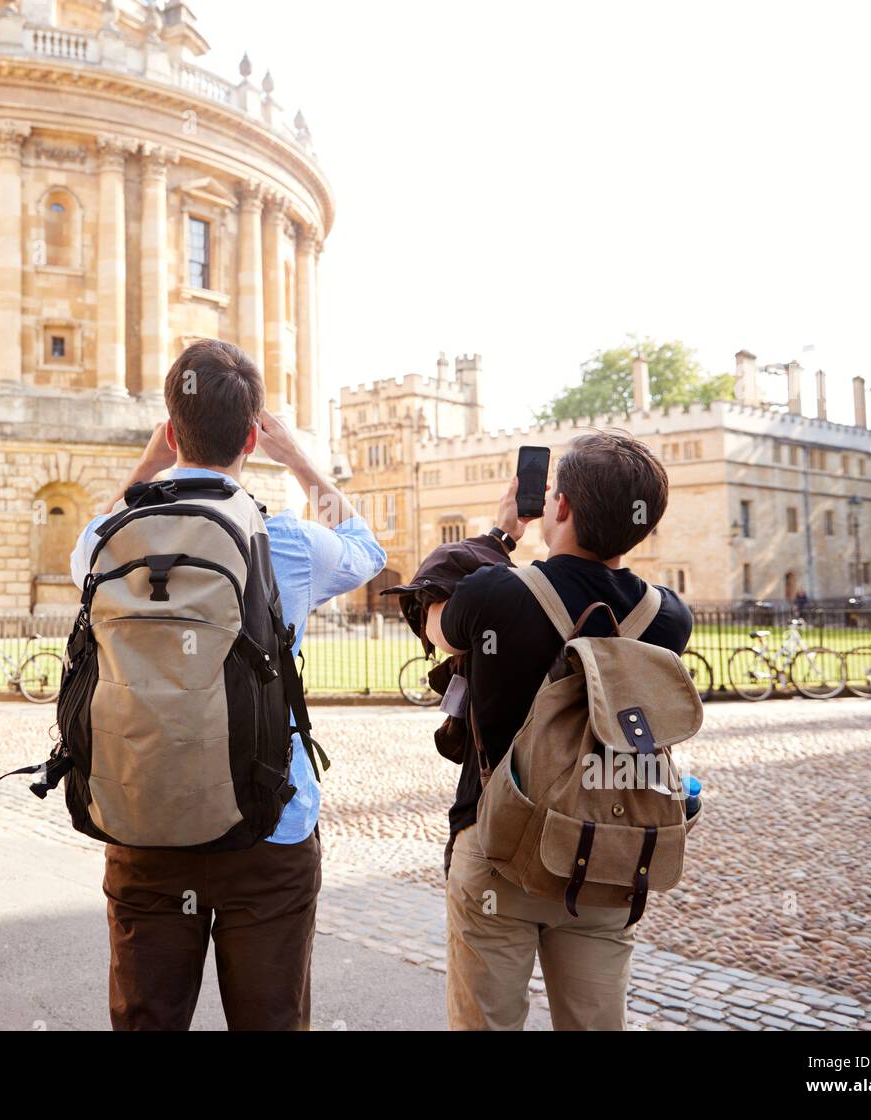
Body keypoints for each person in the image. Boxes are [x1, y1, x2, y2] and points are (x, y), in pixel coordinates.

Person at [68, 339, 386, 1030]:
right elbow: (369, 552)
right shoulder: (290, 542)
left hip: (143, 813)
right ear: (253, 434)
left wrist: (149, 464)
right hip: (267, 825)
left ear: (170, 427)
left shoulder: (107, 538)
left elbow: (84, 546)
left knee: (146, 1021)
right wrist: (301, 462)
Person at [424, 431, 692, 1031]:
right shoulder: (669, 617)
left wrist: (499, 537)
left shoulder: (498, 594)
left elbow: (437, 622)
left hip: (500, 846)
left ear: (561, 507)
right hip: (606, 852)